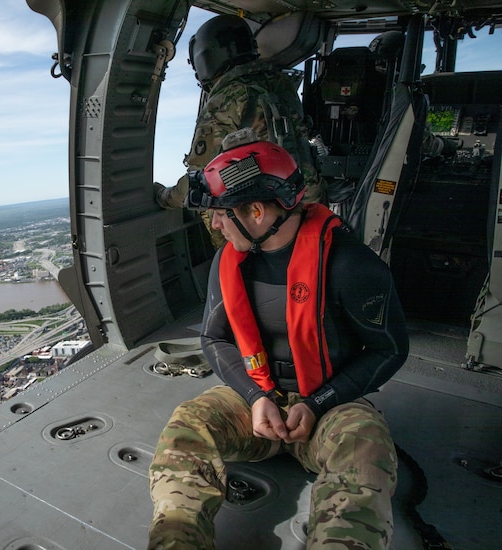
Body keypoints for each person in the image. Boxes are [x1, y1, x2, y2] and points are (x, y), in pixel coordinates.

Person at [148, 138, 409, 549]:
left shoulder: (352, 265)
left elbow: (390, 348)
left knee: (365, 450)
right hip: (256, 402)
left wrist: (318, 402)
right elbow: (214, 337)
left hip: (330, 406)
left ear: (256, 211)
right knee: (188, 425)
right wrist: (254, 396)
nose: (215, 226)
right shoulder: (229, 260)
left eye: (220, 215)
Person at [154, 14, 321, 248]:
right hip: (304, 206)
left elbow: (201, 178)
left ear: (205, 58)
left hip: (256, 225)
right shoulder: (281, 85)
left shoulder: (226, 99)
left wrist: (164, 196)